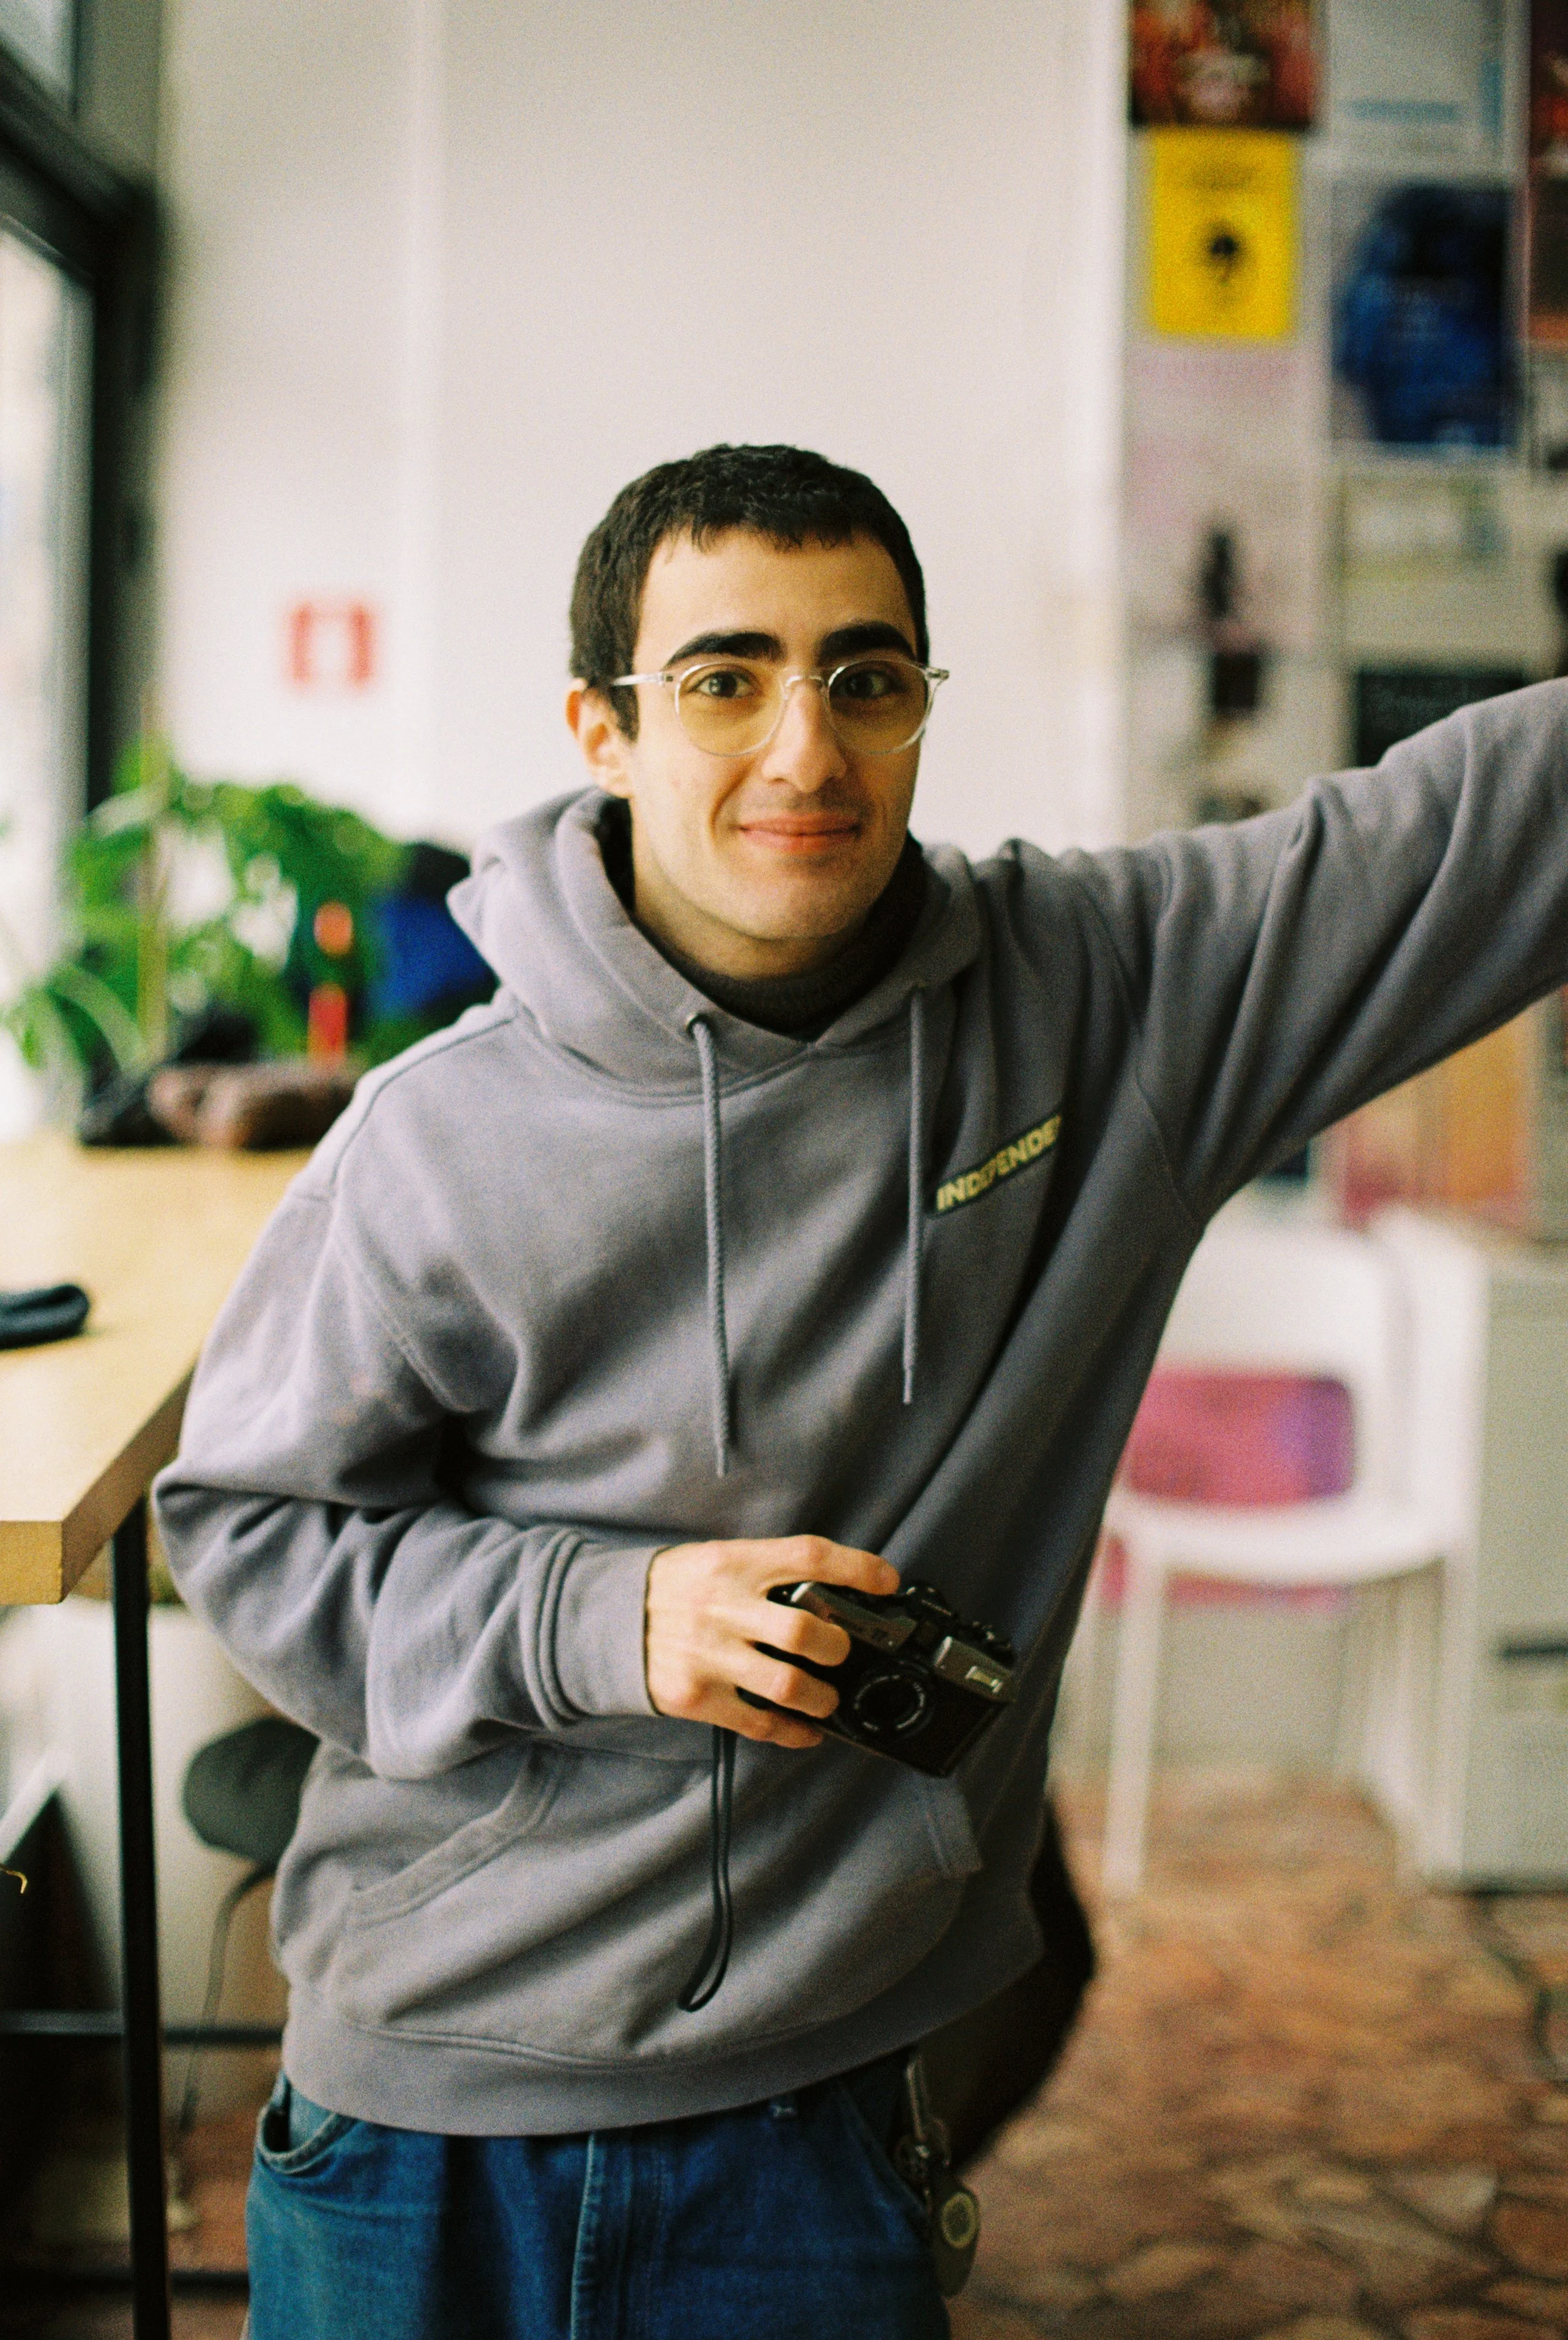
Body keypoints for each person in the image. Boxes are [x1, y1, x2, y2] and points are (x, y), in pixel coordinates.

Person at [156, 442, 1568, 2339]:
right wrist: (606, 1614)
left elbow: (1478, 823)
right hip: (433, 2106)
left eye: (866, 677)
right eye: (725, 679)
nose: (805, 749)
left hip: (819, 2122)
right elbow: (249, 1534)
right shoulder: (436, 1140)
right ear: (606, 726)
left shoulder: (1104, 1002)